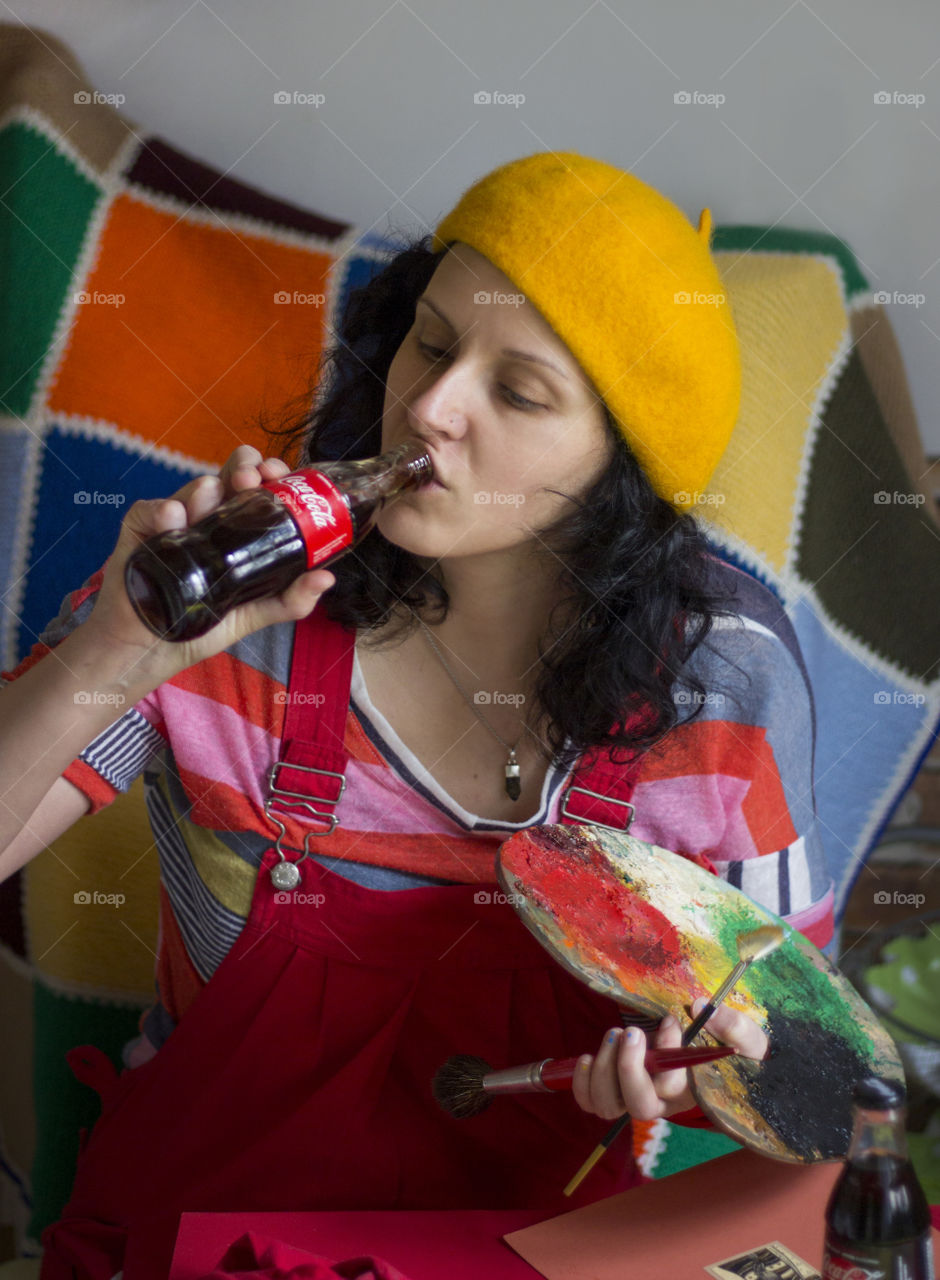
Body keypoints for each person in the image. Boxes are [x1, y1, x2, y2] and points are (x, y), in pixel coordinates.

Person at [0, 151, 833, 1279]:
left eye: (520, 391)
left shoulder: (721, 684)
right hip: (199, 1227)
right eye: (432, 343)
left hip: (528, 1251)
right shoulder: (241, 590)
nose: (431, 407)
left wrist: (699, 1080)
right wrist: (111, 655)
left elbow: (808, 1078)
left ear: (617, 470)